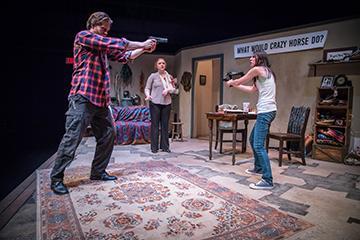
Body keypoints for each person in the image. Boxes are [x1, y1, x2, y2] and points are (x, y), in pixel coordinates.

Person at [50, 12, 157, 195]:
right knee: (73, 138)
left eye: (108, 30)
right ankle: (56, 178)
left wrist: (144, 50)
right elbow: (114, 44)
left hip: (100, 100)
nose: (106, 33)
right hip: (82, 96)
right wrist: (142, 43)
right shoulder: (83, 36)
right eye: (103, 28)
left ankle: (98, 172)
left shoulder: (103, 48)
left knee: (109, 134)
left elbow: (125, 56)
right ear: (93, 24)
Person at [226, 51, 277, 190]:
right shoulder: (265, 73)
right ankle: (259, 167)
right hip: (267, 111)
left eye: (253, 57)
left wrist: (232, 82)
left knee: (259, 145)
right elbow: (250, 89)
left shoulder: (257, 69)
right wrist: (235, 85)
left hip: (266, 111)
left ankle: (267, 179)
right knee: (252, 139)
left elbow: (241, 80)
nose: (250, 58)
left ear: (260, 59)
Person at [145, 58, 178, 153]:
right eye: (159, 63)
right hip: (155, 103)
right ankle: (154, 147)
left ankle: (165, 147)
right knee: (155, 126)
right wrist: (148, 95)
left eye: (163, 63)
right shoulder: (153, 76)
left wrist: (168, 90)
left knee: (165, 126)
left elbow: (174, 89)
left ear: (165, 65)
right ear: (156, 65)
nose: (162, 65)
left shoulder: (169, 77)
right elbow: (147, 88)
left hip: (166, 104)